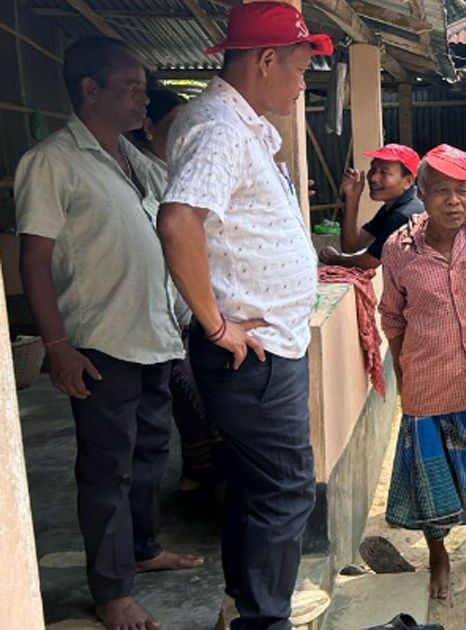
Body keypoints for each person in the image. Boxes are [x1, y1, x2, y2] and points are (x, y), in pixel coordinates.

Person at [15, 36, 202, 630]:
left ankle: (142, 550)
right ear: (90, 90)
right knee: (106, 469)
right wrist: (56, 346)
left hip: (151, 334)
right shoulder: (52, 162)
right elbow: (33, 261)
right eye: (131, 86)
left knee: (149, 455)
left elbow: (175, 206)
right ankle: (110, 589)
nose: (143, 95)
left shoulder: (133, 157)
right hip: (100, 343)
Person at [155, 3, 330, 627]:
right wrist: (215, 323)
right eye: (302, 67)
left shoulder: (244, 123)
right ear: (264, 60)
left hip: (266, 346)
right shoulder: (220, 126)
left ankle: (245, 603)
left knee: (258, 485)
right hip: (249, 352)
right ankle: (264, 617)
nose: (304, 83)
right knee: (286, 488)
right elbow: (178, 221)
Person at [378, 144, 466, 599]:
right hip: (427, 384)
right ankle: (438, 558)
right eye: (441, 191)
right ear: (422, 194)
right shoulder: (398, 248)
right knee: (431, 482)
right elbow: (393, 317)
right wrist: (403, 368)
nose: (453, 200)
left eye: (462, 190)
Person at [128, 86, 230, 495]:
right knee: (189, 397)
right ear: (149, 127)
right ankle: (200, 473)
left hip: (187, 306)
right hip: (169, 308)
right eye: (174, 125)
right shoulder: (145, 171)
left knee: (193, 396)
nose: (184, 133)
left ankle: (197, 471)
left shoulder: (176, 169)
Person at [318, 143, 424, 270]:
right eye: (373, 169)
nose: (373, 178)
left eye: (384, 172)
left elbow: (369, 262)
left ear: (408, 181)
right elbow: (353, 246)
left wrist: (334, 259)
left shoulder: (403, 214)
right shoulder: (393, 206)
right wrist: (352, 197)